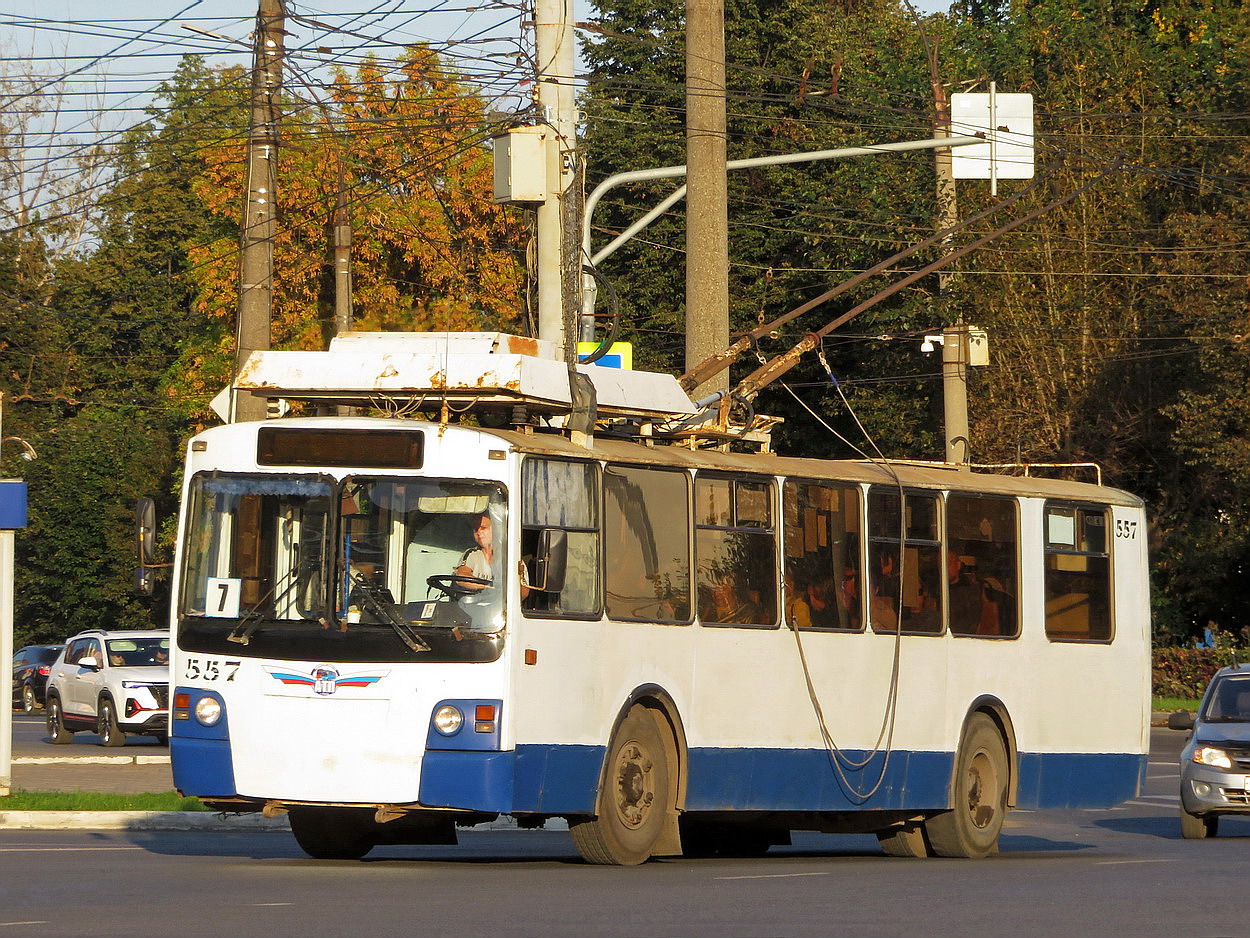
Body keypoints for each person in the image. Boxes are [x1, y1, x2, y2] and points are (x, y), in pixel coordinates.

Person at [455, 513, 529, 599]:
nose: (479, 532)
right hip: (473, 608)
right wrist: (490, 587)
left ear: (496, 529)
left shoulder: (513, 557)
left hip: (501, 609)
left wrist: (499, 593)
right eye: (475, 529)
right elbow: (461, 577)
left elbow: (524, 591)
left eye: (483, 528)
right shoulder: (472, 554)